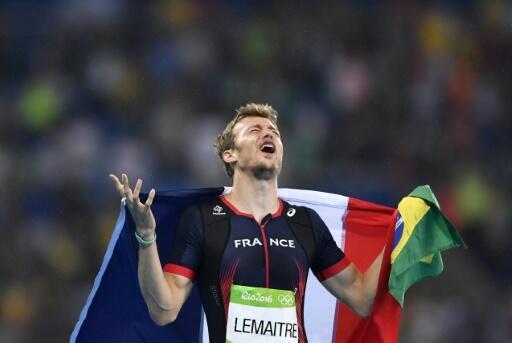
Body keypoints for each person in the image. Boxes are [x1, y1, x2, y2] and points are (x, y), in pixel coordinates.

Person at [109, 103, 384, 343]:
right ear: (230, 154)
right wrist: (146, 236)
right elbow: (164, 309)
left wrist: (403, 232)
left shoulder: (304, 223)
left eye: (274, 132)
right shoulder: (204, 219)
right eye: (254, 130)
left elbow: (362, 297)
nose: (268, 133)